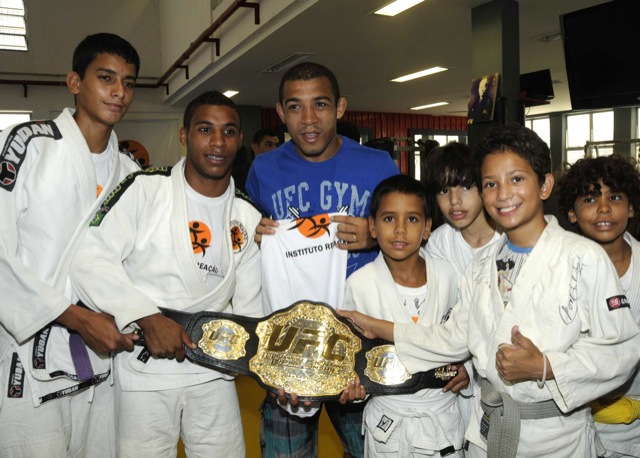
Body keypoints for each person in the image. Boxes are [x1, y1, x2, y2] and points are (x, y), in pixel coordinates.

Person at [338, 124, 640, 457]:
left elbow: (622, 351)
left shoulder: (584, 258)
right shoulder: (481, 267)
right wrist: (378, 326)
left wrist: (546, 366)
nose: (503, 194)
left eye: (517, 179)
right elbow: (453, 338)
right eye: (490, 184)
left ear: (545, 185)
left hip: (554, 439)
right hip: (487, 431)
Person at [70, 91, 263, 457]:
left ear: (239, 140)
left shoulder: (248, 215)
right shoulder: (145, 189)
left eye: (229, 131)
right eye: (206, 129)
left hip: (214, 372)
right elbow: (89, 259)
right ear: (184, 135)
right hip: (145, 370)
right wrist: (147, 317)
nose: (218, 142)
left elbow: (251, 312)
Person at [245, 61, 398, 458]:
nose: (308, 119)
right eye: (295, 107)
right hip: (291, 341)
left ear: (341, 107)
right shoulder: (263, 168)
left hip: (361, 334)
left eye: (321, 105)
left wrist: (377, 234)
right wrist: (252, 236)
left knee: (374, 450)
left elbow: (411, 237)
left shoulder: (377, 165)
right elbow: (245, 245)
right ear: (280, 113)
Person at [0, 33, 141, 457]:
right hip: (29, 347)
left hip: (105, 358)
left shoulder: (132, 173)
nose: (119, 92)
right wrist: (77, 318)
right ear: (74, 82)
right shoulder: (28, 145)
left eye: (130, 83)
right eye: (106, 78)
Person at [342, 174, 466, 457]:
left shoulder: (448, 276)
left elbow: (465, 336)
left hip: (441, 417)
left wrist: (467, 368)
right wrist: (353, 386)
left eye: (411, 219)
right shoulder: (359, 285)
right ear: (372, 226)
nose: (400, 230)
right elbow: (352, 357)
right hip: (388, 421)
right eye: (388, 219)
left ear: (426, 228)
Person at [558, 155, 640, 457]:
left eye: (615, 197)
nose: (604, 208)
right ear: (571, 212)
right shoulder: (557, 271)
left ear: (630, 208)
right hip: (572, 428)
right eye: (590, 198)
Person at [423, 142, 500, 278]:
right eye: (444, 190)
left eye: (466, 187)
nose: (454, 200)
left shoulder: (508, 239)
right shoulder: (439, 244)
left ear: (483, 187)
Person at [232, 128, 280, 193]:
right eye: (269, 145)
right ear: (255, 147)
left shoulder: (282, 173)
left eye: (277, 145)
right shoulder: (238, 175)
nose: (275, 149)